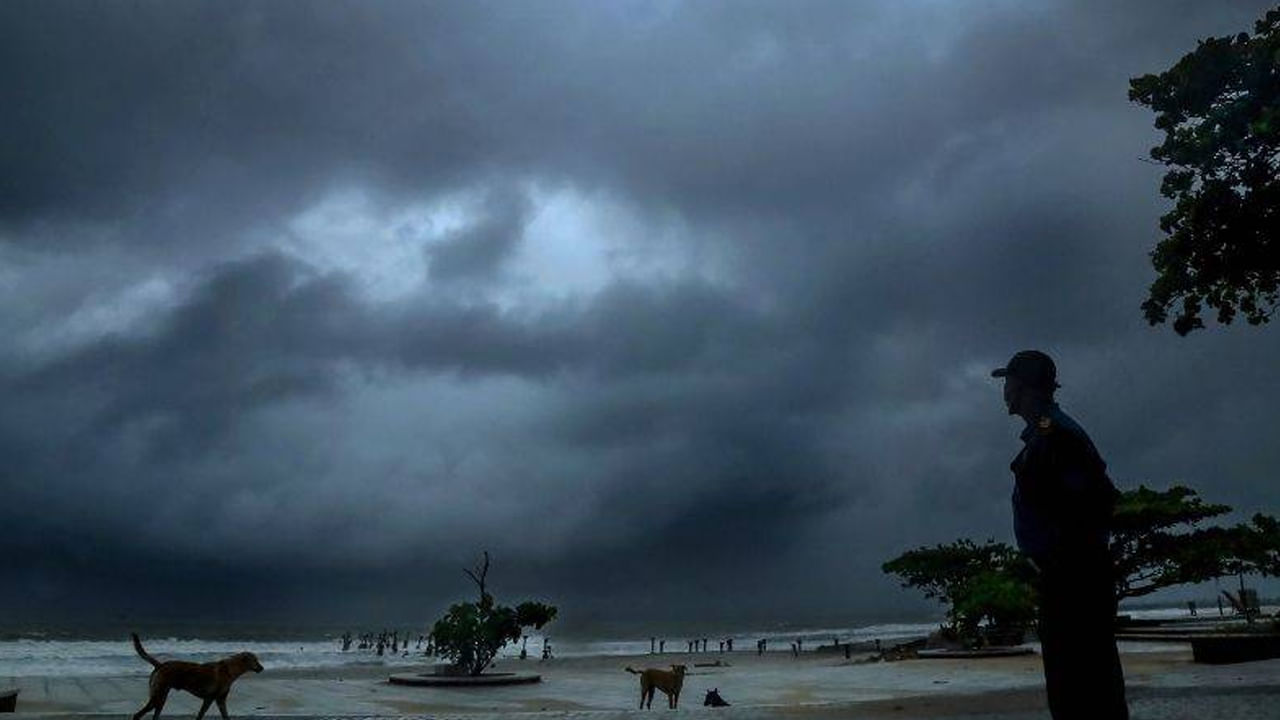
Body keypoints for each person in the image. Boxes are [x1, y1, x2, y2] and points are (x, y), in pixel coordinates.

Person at [992, 350, 1128, 720]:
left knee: (1083, 688)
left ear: (1023, 387)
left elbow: (1091, 504)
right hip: (1069, 576)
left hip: (1074, 579)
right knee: (1078, 687)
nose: (1004, 391)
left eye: (1008, 383)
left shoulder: (1057, 436)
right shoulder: (1046, 433)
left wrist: (1061, 561)